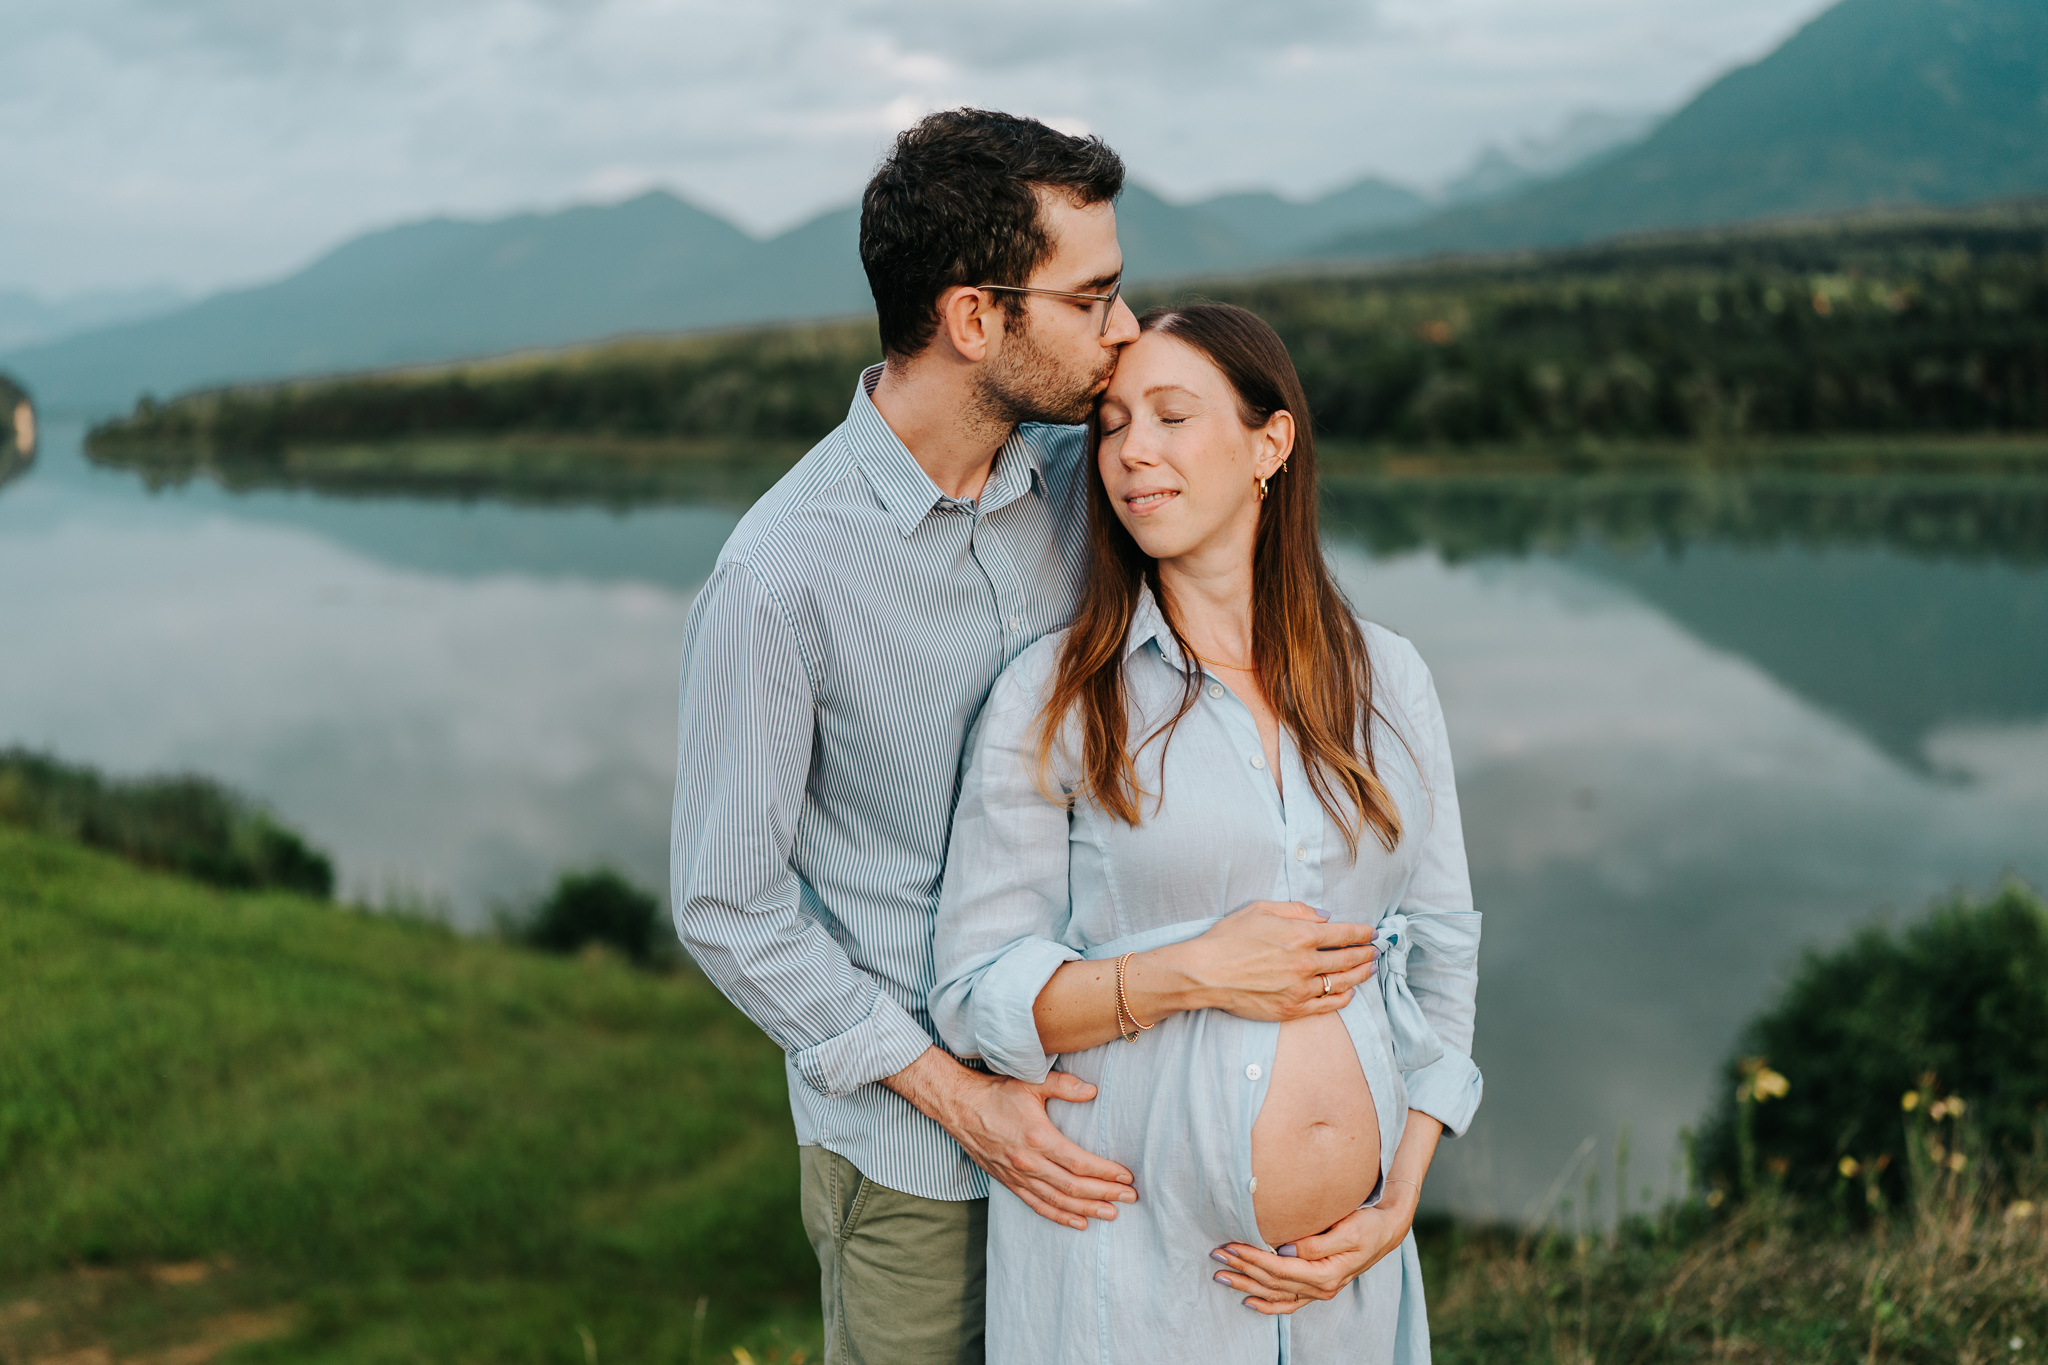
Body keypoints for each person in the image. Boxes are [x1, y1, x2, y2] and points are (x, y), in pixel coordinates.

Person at [670, 108, 1158, 1365]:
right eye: (1092, 299)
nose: (1124, 329)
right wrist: (958, 1100)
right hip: (915, 1163)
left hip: (1110, 1114)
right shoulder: (775, 578)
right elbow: (726, 906)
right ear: (973, 319)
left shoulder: (1097, 482)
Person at [931, 303, 1483, 1363]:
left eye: (1172, 417)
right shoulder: (1054, 696)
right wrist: (1191, 973)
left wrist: (1397, 1196)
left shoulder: (1387, 679)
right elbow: (973, 991)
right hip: (1134, 1274)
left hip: (1344, 1289)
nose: (1131, 451)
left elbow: (1441, 950)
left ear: (1269, 444)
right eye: (1111, 426)